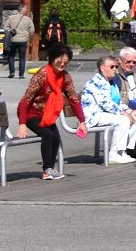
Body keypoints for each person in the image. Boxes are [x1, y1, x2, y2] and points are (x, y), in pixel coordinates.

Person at [14, 44, 86, 181]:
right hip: (31, 112)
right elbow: (26, 100)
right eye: (59, 60)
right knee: (47, 133)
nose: (62, 64)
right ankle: (47, 169)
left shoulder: (65, 77)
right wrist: (22, 123)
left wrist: (82, 121)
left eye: (66, 62)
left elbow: (74, 99)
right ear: (52, 58)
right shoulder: (42, 75)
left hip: (46, 114)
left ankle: (50, 168)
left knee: (55, 136)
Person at [81, 54, 136, 164]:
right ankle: (114, 154)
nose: (115, 69)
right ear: (102, 68)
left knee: (133, 118)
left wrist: (130, 111)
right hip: (93, 115)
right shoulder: (97, 81)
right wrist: (123, 113)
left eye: (116, 67)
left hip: (104, 113)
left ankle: (123, 152)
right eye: (112, 67)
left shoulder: (111, 83)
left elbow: (117, 103)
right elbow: (105, 103)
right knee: (123, 120)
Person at [3, 6, 35, 79]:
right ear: (23, 10)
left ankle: (12, 72)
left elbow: (5, 28)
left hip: (13, 40)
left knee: (11, 56)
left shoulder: (11, 18)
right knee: (22, 57)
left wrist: (10, 32)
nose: (26, 11)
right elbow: (32, 30)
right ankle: (21, 74)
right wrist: (28, 37)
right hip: (23, 40)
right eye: (26, 10)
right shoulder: (28, 19)